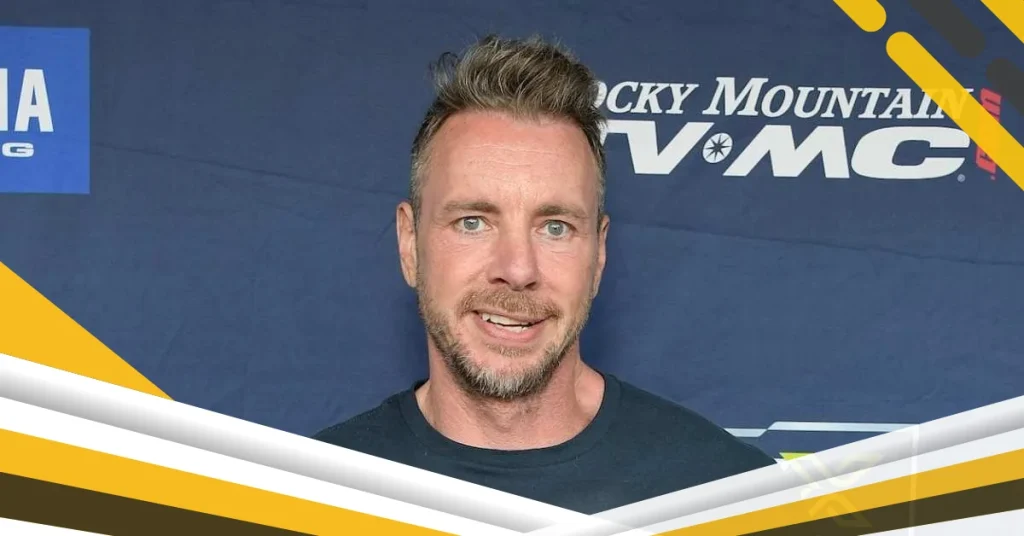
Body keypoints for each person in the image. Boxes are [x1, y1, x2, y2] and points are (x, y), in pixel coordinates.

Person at [313, 34, 775, 514]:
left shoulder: (732, 498)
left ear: (598, 254)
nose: (518, 269)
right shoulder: (310, 499)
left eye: (555, 227)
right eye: (472, 222)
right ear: (410, 244)